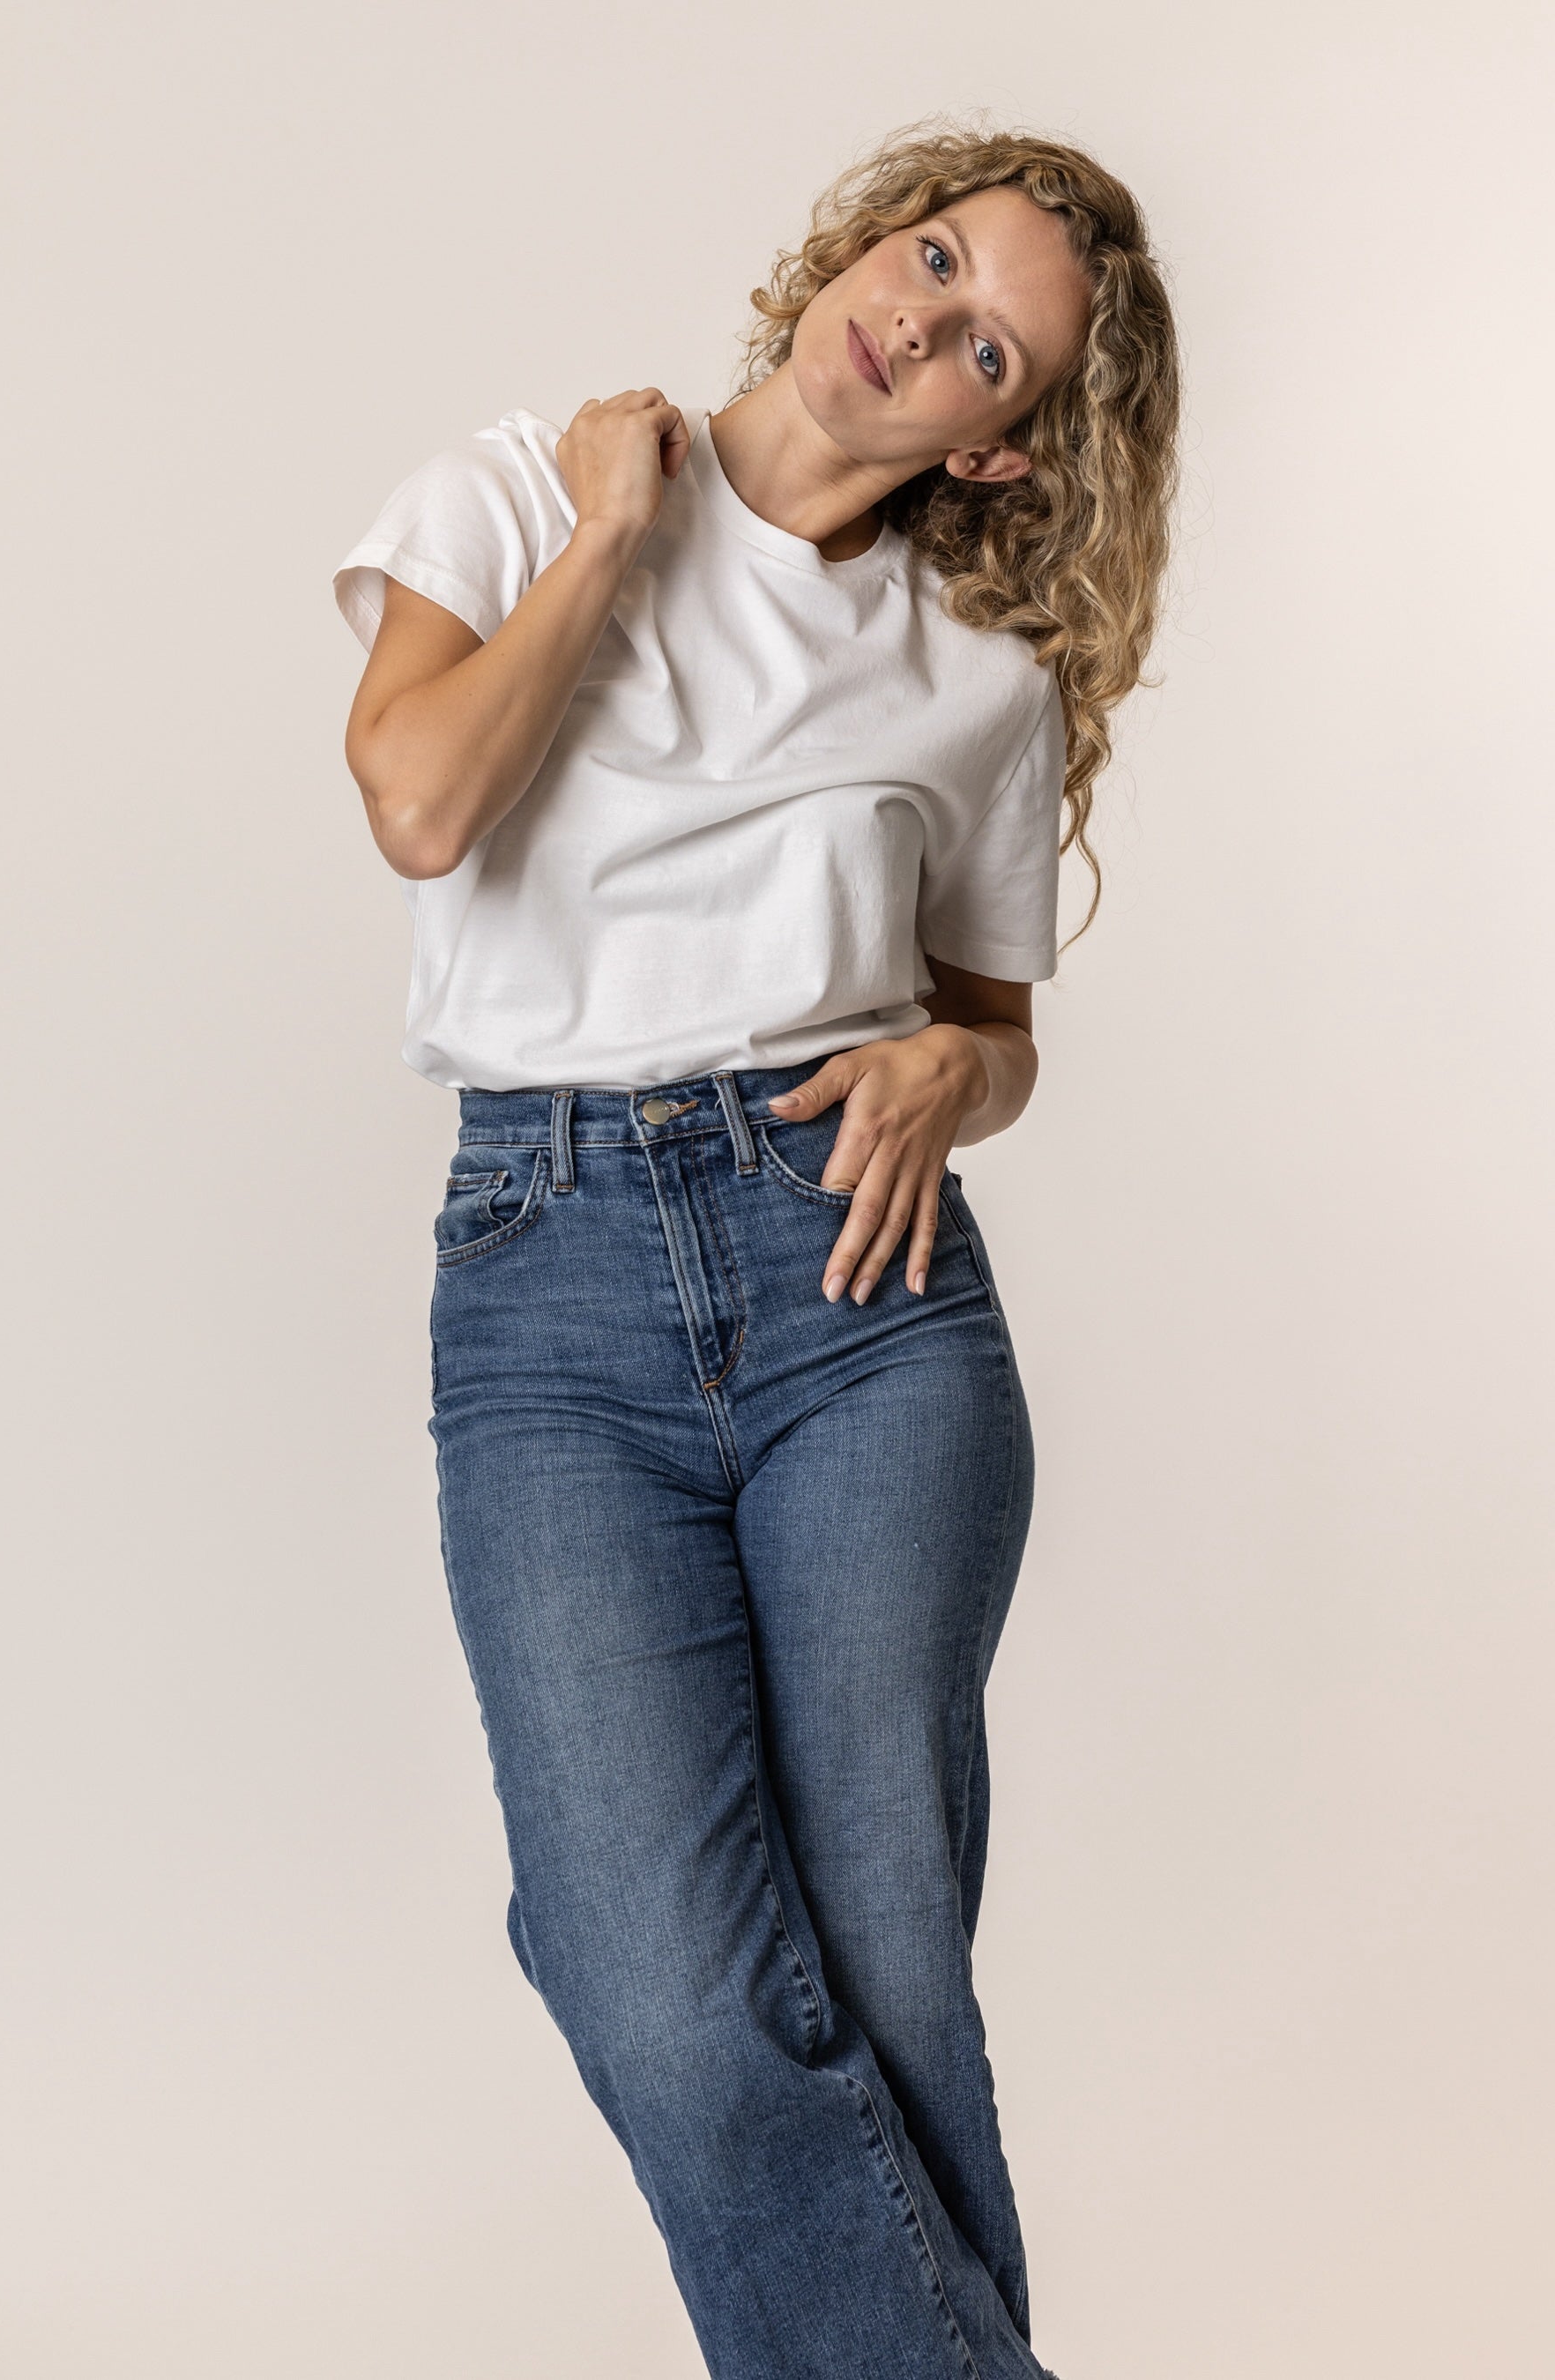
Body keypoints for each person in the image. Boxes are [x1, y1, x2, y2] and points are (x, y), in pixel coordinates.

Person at [333, 116, 1179, 2380]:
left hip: (861, 1301)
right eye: (934, 258)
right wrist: (615, 542)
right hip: (550, 1288)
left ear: (999, 447)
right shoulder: (521, 494)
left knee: (887, 1969)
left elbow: (994, 1039)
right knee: (657, 1982)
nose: (922, 321)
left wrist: (948, 1075)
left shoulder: (974, 674)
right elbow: (420, 800)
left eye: (986, 348)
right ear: (865, 244)